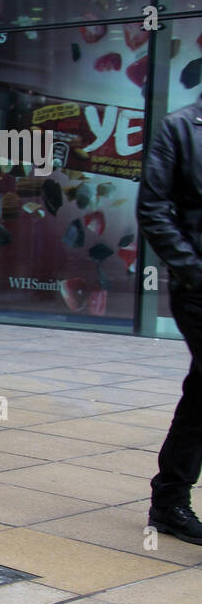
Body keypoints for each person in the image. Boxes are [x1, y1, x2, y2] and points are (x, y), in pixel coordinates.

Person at [137, 93, 202, 545]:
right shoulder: (180, 127)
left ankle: (169, 501)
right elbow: (153, 209)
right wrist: (195, 272)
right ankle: (169, 500)